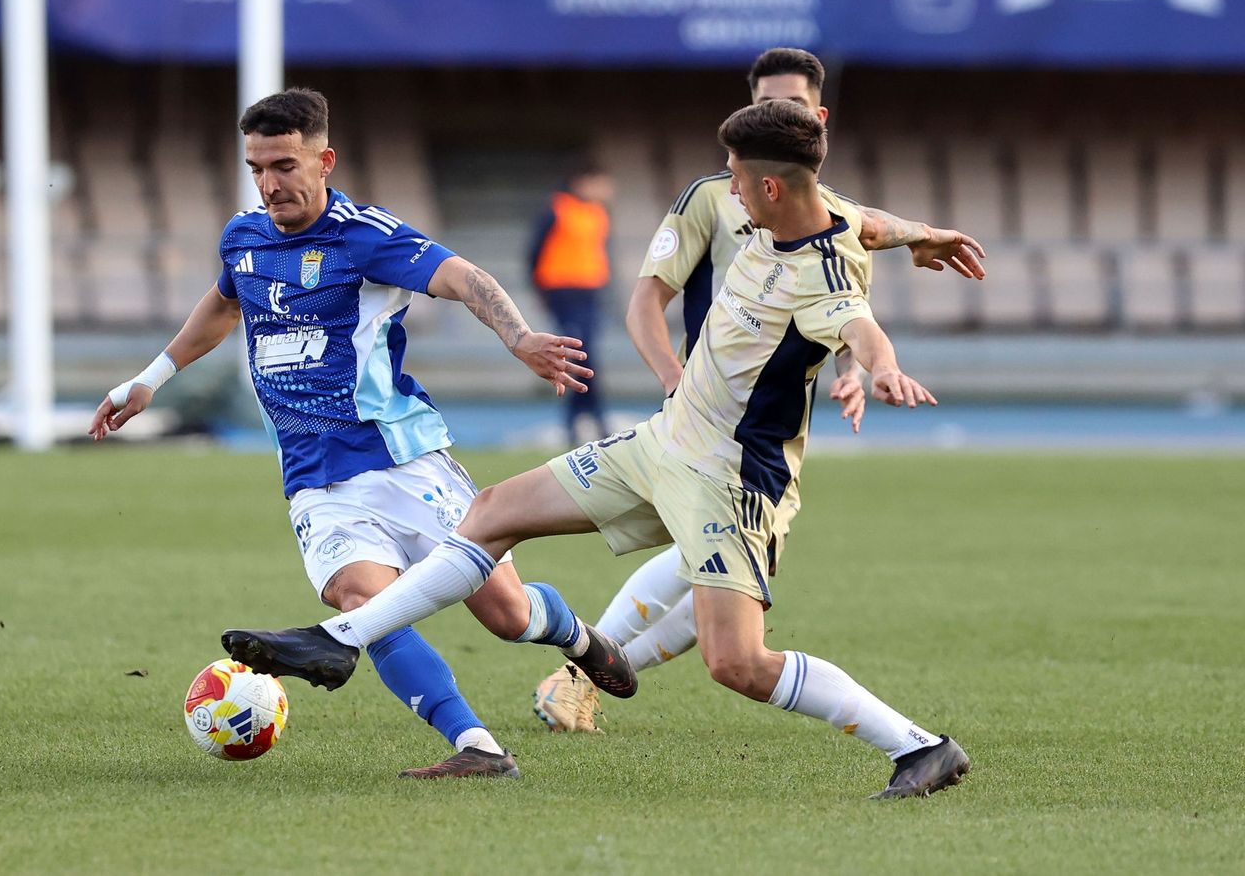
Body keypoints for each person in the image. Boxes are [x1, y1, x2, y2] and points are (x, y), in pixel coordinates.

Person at [224, 100, 971, 800]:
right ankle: (338, 638)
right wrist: (926, 233)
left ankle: (918, 747)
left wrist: (881, 367)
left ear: (772, 186)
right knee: (491, 511)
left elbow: (856, 319)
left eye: (739, 184)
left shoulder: (822, 274)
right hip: (661, 443)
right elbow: (869, 221)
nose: (729, 196)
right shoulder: (814, 209)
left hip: (730, 478)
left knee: (737, 663)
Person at [88, 88, 635, 780]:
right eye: (256, 167)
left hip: (405, 460)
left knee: (506, 614)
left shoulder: (364, 234)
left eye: (284, 165)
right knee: (366, 606)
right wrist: (152, 376)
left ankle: (579, 638)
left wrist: (520, 336)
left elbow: (464, 277)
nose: (269, 184)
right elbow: (225, 305)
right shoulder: (245, 237)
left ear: (325, 160)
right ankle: (477, 747)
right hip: (315, 480)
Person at [534, 47, 988, 734]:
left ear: (818, 119)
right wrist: (674, 379)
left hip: (766, 423)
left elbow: (846, 281)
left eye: (796, 107)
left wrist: (857, 363)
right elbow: (643, 304)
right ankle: (578, 673)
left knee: (715, 589)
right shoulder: (711, 196)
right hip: (704, 418)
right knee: (711, 583)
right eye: (769, 105)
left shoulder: (825, 211)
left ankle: (586, 669)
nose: (783, 115)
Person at [528, 162, 614, 444]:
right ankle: (594, 423)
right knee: (579, 356)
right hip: (563, 292)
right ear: (582, 181)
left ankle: (578, 424)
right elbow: (534, 251)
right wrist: (541, 292)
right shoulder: (558, 208)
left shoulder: (598, 213)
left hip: (589, 293)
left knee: (584, 357)